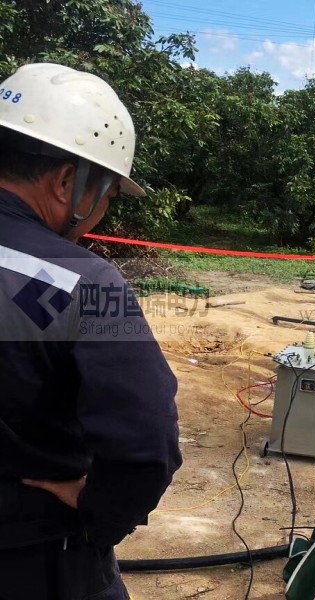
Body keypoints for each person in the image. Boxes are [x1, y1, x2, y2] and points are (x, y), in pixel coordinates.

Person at [0, 63, 182, 599]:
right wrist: (99, 511)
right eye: (108, 195)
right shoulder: (84, 283)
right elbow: (146, 445)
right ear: (66, 182)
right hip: (33, 558)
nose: (103, 210)